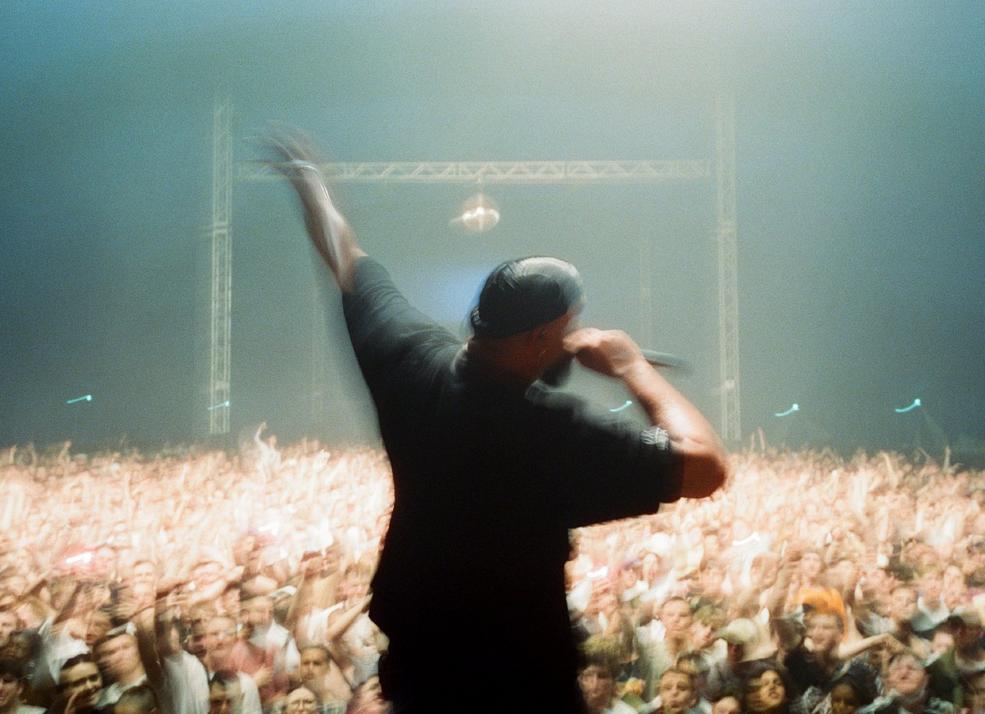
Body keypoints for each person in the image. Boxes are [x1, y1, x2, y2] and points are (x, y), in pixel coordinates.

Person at [266, 131, 729, 712]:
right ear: (540, 335)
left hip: (420, 672)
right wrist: (631, 367)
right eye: (568, 324)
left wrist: (310, 183)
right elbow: (706, 466)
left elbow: (346, 255)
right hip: (522, 684)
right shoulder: (550, 433)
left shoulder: (408, 358)